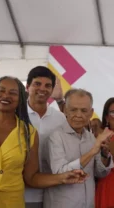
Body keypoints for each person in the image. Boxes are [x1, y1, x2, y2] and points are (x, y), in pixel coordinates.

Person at [0, 76, 85, 208]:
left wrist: (62, 177)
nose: (5, 96)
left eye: (13, 93)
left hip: (11, 203)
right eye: (1, 91)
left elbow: (31, 178)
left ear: (20, 99)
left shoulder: (29, 133)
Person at [44, 89, 114, 208]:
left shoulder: (91, 137)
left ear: (91, 113)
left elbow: (101, 173)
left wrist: (104, 154)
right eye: (73, 109)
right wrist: (92, 152)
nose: (78, 115)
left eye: (84, 110)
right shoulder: (55, 137)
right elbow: (60, 174)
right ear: (65, 110)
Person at [24, 66, 68, 208]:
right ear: (27, 86)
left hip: (54, 192)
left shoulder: (60, 118)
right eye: (37, 84)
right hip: (22, 192)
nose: (42, 89)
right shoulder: (16, 116)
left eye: (48, 85)